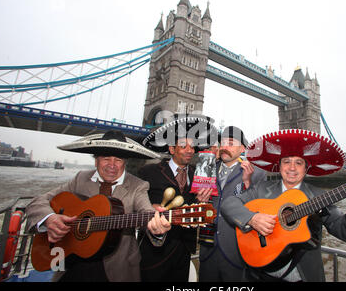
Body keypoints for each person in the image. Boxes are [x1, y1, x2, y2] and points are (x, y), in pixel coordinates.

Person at [221, 129, 346, 282]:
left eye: (299, 163)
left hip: (303, 277)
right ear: (279, 166)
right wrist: (252, 218)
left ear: (306, 168)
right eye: (287, 162)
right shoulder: (261, 188)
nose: (292, 168)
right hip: (258, 276)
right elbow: (229, 203)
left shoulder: (319, 196)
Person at [26, 130, 171, 282]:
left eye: (118, 160)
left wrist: (157, 230)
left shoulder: (138, 186)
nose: (112, 166)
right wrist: (50, 219)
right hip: (72, 266)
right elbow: (38, 202)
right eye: (106, 158)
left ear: (125, 162)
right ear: (96, 160)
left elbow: (146, 212)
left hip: (116, 270)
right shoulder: (80, 179)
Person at [139, 114, 218, 281]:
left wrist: (201, 203)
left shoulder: (199, 173)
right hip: (155, 252)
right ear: (172, 149)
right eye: (183, 146)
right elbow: (137, 206)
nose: (190, 150)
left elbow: (194, 212)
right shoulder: (148, 173)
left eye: (192, 146)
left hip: (183, 251)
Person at [199, 126, 267, 281]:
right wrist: (199, 200)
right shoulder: (206, 169)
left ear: (242, 148)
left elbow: (259, 210)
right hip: (207, 250)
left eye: (230, 143)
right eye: (222, 143)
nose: (224, 147)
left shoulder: (257, 173)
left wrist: (247, 183)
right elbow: (197, 206)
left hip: (237, 251)